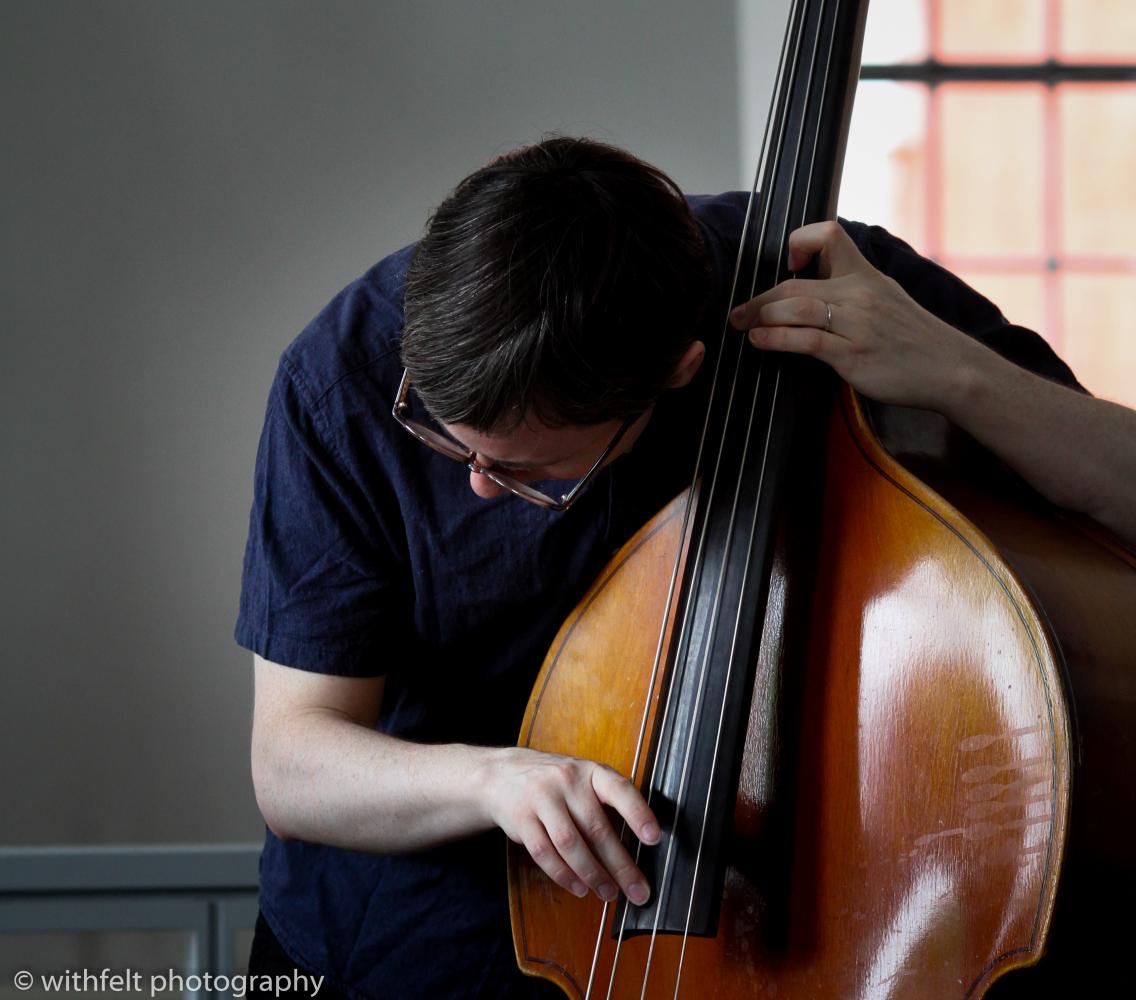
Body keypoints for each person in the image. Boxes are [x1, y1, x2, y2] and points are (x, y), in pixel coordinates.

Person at [237, 136, 1136, 999]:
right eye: (446, 442)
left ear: (679, 372)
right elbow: (292, 762)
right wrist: (489, 779)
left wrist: (956, 371)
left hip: (770, 948)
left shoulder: (832, 288)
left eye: (525, 471)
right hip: (385, 951)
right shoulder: (346, 372)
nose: (475, 485)